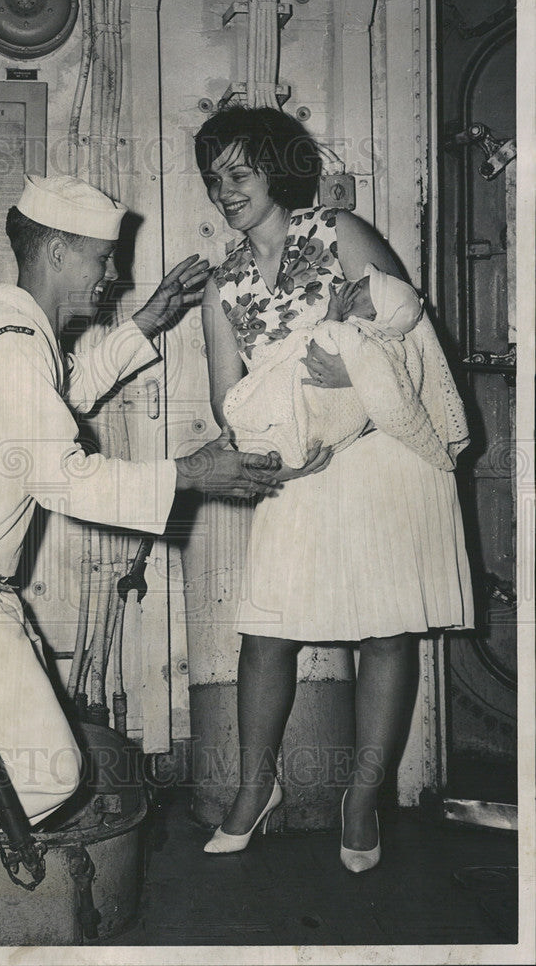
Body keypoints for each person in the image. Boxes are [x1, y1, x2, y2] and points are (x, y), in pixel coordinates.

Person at [0, 173, 303, 834]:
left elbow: (59, 404)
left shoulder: (14, 329)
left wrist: (146, 322)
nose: (112, 274)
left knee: (4, 775)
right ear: (58, 252)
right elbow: (63, 476)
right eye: (103, 258)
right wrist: (187, 472)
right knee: (44, 776)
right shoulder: (11, 341)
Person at [194, 106, 473, 870]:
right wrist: (277, 454)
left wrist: (356, 374)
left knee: (387, 629)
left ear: (275, 172)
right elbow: (228, 399)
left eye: (239, 174)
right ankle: (257, 788)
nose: (224, 191)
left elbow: (408, 329)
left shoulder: (338, 231)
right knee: (265, 635)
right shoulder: (222, 284)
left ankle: (362, 796)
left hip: (382, 453)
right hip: (303, 462)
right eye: (214, 178)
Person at [222, 263, 456, 471]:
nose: (351, 286)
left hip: (322, 410)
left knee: (277, 409)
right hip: (313, 398)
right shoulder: (355, 330)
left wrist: (333, 313)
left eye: (361, 288)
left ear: (371, 313)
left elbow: (319, 350)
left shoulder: (356, 336)